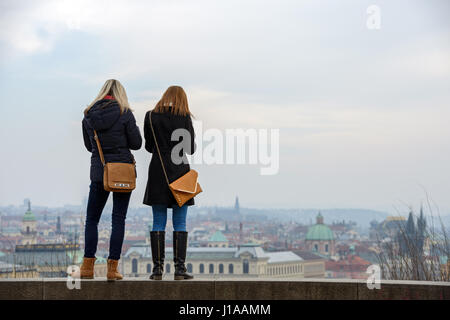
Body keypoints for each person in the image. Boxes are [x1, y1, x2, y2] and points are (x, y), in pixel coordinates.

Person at [79, 79, 142, 281]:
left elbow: (90, 147)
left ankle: (88, 267)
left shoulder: (88, 115)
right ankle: (112, 269)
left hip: (99, 172)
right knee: (118, 219)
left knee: (92, 219)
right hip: (122, 170)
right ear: (120, 94)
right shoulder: (125, 113)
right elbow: (137, 143)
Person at [143, 85, 196, 280]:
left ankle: (157, 270)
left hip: (158, 172)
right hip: (180, 172)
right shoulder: (184, 117)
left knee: (158, 221)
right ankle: (179, 270)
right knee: (180, 222)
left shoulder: (150, 116)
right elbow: (190, 148)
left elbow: (149, 147)